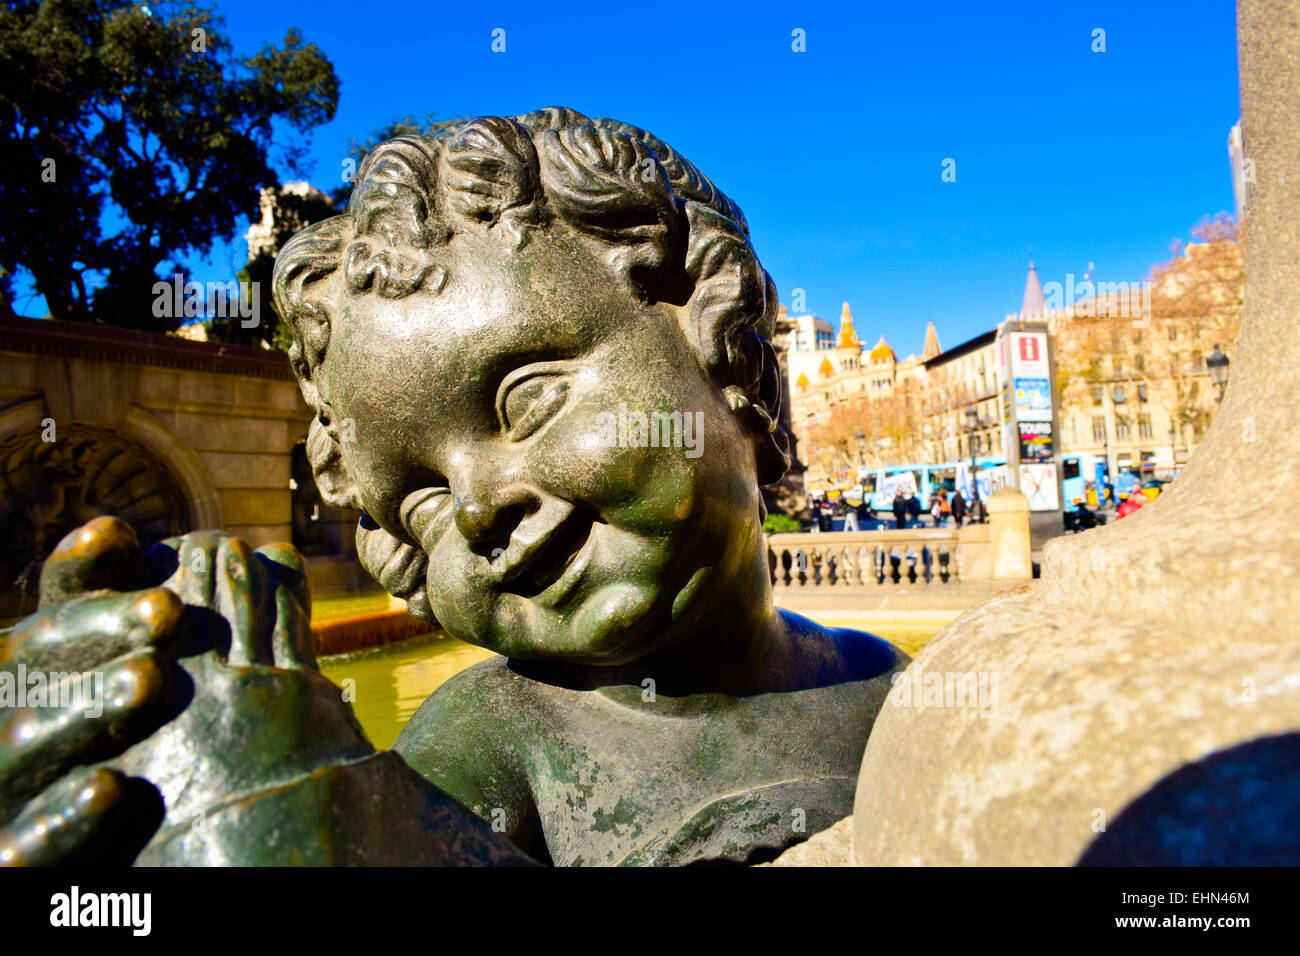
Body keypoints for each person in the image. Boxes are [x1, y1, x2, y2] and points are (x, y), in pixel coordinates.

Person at [0, 109, 912, 868]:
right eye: (420, 500)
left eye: (529, 398)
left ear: (720, 345)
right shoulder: (487, 745)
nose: (477, 509)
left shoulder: (896, 683)